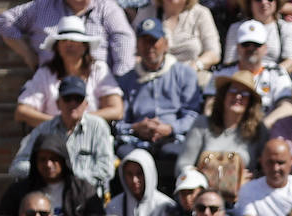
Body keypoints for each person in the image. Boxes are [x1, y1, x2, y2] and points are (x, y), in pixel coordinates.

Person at [7, 75, 116, 199]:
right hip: (48, 198)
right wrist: (45, 173)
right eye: (67, 98)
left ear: (86, 104)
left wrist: (67, 177)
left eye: (78, 99)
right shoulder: (44, 129)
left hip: (86, 198)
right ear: (58, 103)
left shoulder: (98, 127)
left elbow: (106, 169)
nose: (73, 104)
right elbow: (17, 166)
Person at [114, 19, 201, 164]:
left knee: (172, 154)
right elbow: (119, 122)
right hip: (137, 138)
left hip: (174, 136)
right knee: (129, 157)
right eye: (144, 41)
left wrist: (170, 128)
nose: (149, 47)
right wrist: (135, 128)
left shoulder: (185, 74)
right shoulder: (126, 80)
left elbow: (192, 115)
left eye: (154, 41)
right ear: (137, 45)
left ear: (165, 44)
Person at [14, 16, 125, 128]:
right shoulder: (45, 73)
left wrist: (79, 120)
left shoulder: (98, 69)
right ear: (57, 47)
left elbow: (116, 110)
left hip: (91, 137)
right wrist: (58, 124)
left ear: (84, 46)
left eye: (74, 41)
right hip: (53, 138)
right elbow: (22, 111)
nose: (69, 45)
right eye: (64, 41)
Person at [177, 69, 269, 188]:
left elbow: (266, 170)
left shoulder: (259, 130)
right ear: (223, 95)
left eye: (245, 93)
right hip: (203, 197)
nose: (238, 96)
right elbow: (182, 165)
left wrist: (253, 178)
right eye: (233, 90)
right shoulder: (202, 124)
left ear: (250, 101)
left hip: (241, 196)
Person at [0, 0, 136, 76]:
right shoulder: (41, 6)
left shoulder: (107, 7)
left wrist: (117, 82)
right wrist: (28, 55)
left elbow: (124, 41)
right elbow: (3, 21)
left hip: (97, 83)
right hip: (52, 81)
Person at [208, 18, 292, 126]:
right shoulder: (222, 72)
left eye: (256, 44)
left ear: (265, 48)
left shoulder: (276, 72)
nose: (251, 48)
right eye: (246, 44)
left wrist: (262, 128)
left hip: (266, 132)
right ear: (238, 47)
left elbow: (288, 107)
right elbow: (209, 107)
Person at [132, 0, 219, 86]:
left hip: (191, 75)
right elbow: (133, 50)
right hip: (153, 76)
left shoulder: (201, 13)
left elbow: (214, 53)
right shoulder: (146, 12)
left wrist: (195, 66)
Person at [222, 0, 292, 74]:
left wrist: (264, 76)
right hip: (242, 79)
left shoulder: (286, 27)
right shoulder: (236, 28)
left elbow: (290, 63)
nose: (264, 2)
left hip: (276, 80)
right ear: (249, 3)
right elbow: (229, 62)